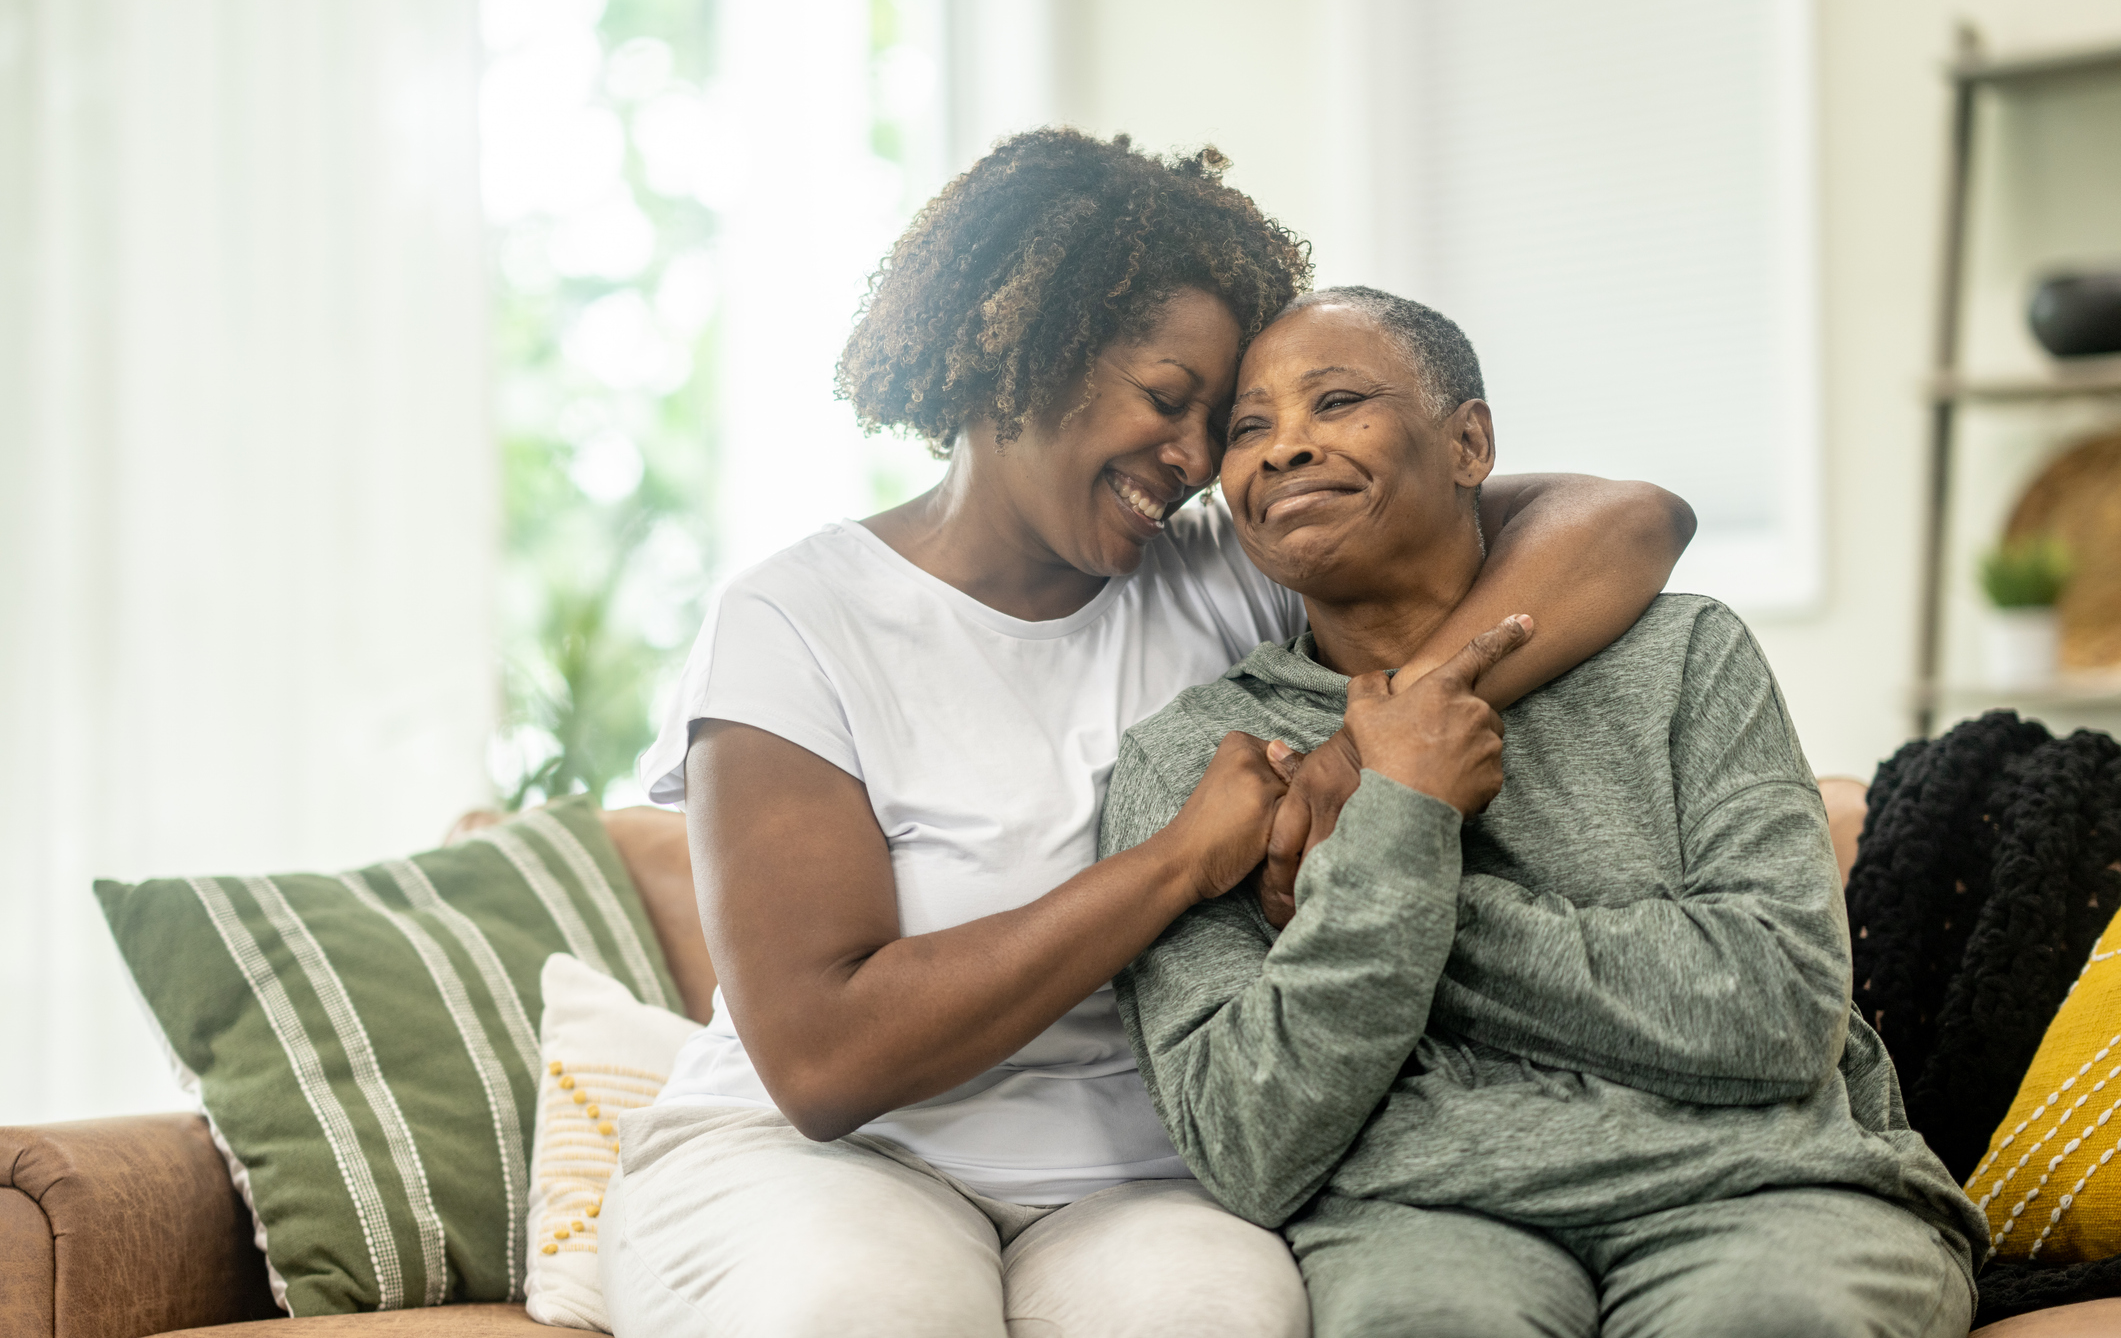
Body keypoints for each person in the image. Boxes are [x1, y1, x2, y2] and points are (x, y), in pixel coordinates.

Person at [599, 132, 1697, 1337]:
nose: (1192, 463)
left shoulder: (1227, 573)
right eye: (1169, 401)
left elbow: (1625, 518)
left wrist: (1378, 739)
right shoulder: (797, 619)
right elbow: (825, 1059)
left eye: (1212, 423)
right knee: (866, 1315)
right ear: (1020, 353)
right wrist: (1174, 862)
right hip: (832, 1161)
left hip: (1140, 1175)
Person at [1103, 286, 1987, 1338]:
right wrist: (1409, 814)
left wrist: (1384, 854)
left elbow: (1779, 1007)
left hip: (1769, 1191)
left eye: (1336, 401)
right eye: (1251, 428)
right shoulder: (1202, 765)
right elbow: (1250, 1139)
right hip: (1425, 1217)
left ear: (1469, 441)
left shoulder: (1686, 655)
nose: (1286, 446)